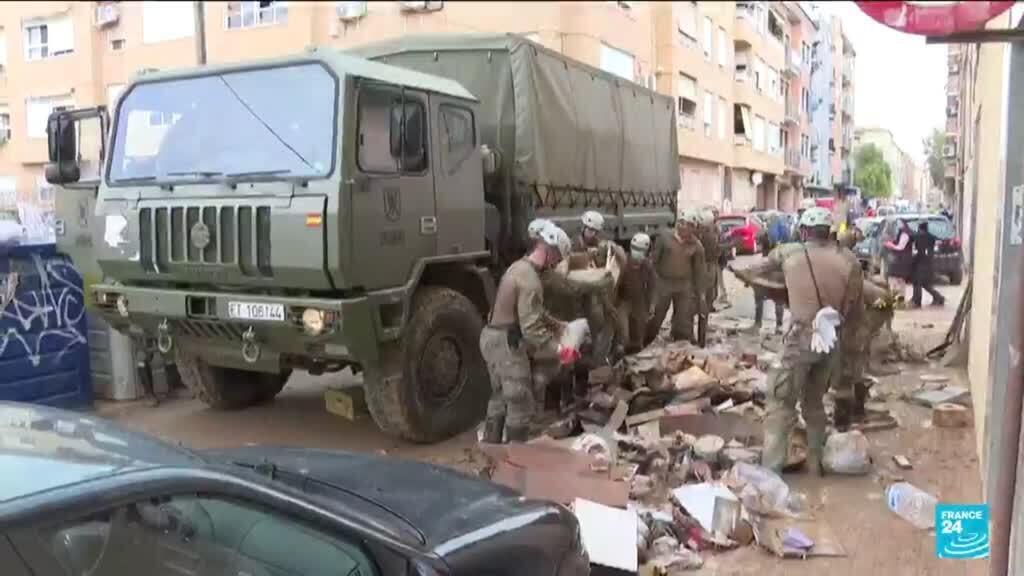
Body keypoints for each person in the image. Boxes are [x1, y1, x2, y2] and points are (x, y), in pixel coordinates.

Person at [733, 207, 863, 474]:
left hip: (800, 339)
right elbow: (853, 308)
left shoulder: (790, 253)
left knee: (780, 404)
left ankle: (770, 472)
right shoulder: (850, 262)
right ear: (829, 233)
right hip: (830, 341)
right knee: (814, 402)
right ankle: (815, 466)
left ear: (804, 231)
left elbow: (758, 268)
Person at [481, 221, 576, 443]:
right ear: (549, 249)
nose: (556, 264)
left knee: (500, 397)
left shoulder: (519, 267)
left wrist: (557, 324)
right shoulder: (531, 280)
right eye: (557, 258)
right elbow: (532, 329)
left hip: (491, 337)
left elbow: (534, 311)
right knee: (520, 401)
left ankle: (491, 450)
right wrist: (560, 350)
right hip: (506, 342)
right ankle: (516, 461)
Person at [569, 210, 625, 362]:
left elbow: (616, 259)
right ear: (583, 227)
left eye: (595, 231)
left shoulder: (601, 244)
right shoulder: (573, 244)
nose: (591, 234)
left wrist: (612, 247)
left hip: (594, 292)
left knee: (601, 320)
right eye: (589, 229)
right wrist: (587, 256)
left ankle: (600, 356)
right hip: (577, 292)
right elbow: (568, 265)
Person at [647, 209, 707, 344]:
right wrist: (652, 287)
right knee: (657, 315)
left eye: (687, 225)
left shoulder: (696, 246)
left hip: (684, 285)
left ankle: (681, 344)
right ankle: (646, 341)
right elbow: (653, 263)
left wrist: (701, 296)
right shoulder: (664, 238)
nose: (683, 227)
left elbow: (699, 272)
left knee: (684, 319)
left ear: (693, 228)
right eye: (681, 223)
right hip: (664, 283)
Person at [616, 233, 656, 354]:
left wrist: (652, 305)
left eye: (641, 250)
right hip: (623, 301)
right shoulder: (622, 263)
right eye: (635, 248)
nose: (637, 252)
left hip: (639, 301)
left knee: (639, 333)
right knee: (624, 335)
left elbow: (652, 286)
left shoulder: (647, 266)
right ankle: (619, 353)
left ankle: (636, 353)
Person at [910, 220, 946, 308]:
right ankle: (939, 298)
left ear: (920, 229)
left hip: (921, 263)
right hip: (929, 262)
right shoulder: (931, 237)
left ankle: (916, 301)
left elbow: (913, 241)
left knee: (918, 282)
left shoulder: (918, 236)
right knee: (925, 284)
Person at [697, 209, 721, 312]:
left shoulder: (714, 228)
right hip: (706, 263)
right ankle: (703, 307)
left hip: (712, 261)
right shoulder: (701, 232)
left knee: (712, 287)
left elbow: (717, 243)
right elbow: (713, 246)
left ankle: (708, 305)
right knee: (707, 287)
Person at [883, 218, 914, 296]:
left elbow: (900, 247)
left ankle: (897, 297)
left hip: (901, 259)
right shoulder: (903, 232)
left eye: (899, 223)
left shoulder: (905, 234)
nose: (898, 225)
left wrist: (890, 245)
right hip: (902, 259)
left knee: (895, 278)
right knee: (899, 279)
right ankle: (899, 297)